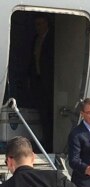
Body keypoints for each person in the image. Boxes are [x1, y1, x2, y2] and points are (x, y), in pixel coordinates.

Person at [29, 13, 54, 152]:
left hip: (51, 83)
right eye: (36, 24)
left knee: (50, 114)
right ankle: (45, 143)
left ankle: (50, 145)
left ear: (46, 23)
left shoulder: (53, 39)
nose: (38, 27)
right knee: (42, 114)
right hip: (39, 81)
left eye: (40, 24)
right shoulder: (36, 39)